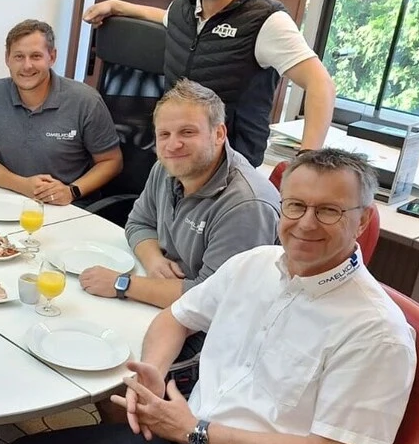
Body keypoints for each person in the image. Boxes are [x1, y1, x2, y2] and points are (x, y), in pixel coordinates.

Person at [3, 148, 415, 444]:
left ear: (362, 219)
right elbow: (175, 318)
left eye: (329, 211)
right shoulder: (255, 265)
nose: (306, 223)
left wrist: (196, 431)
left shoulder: (377, 332)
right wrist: (154, 374)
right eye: (295, 205)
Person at [78, 79, 279, 398]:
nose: (172, 145)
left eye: (187, 132)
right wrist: (153, 258)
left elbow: (213, 298)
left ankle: (139, 435)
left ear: (218, 133)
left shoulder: (245, 205)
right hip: (170, 304)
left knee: (111, 366)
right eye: (164, 135)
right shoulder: (168, 167)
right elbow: (138, 221)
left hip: (218, 336)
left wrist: (123, 285)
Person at [82, 0, 336, 167]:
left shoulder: (266, 20)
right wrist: (118, 6)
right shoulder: (184, 7)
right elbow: (165, 18)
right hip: (176, 159)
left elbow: (320, 83)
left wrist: (307, 160)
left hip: (229, 171)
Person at [0, 19, 123, 207]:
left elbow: (112, 161)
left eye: (35, 56)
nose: (27, 66)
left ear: (52, 57)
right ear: (7, 58)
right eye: (18, 56)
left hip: (69, 207)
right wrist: (24, 186)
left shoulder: (86, 100)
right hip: (12, 200)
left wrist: (71, 190)